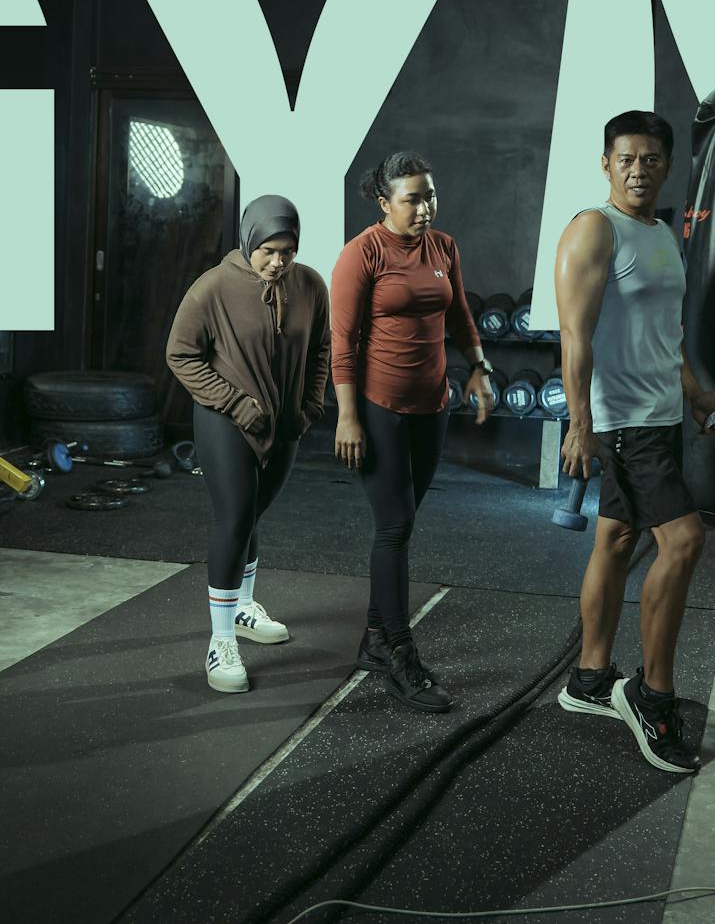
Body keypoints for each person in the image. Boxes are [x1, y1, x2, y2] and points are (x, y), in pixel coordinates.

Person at [552, 112, 715, 773]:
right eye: (626, 158)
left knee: (617, 539)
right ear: (606, 163)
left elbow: (665, 332)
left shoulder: (661, 233)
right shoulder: (594, 229)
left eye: (651, 159)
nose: (638, 169)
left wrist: (694, 392)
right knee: (683, 540)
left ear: (666, 165)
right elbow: (575, 335)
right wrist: (580, 422)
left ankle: (591, 679)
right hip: (622, 422)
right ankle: (652, 696)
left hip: (659, 415)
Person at [331, 150, 496, 714]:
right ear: (384, 202)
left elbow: (459, 316)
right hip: (379, 409)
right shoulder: (362, 255)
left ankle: (376, 640)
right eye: (412, 198)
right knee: (394, 526)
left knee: (404, 523)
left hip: (434, 406)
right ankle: (401, 654)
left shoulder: (443, 247)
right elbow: (343, 342)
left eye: (430, 194)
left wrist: (478, 366)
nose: (425, 207)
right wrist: (347, 416)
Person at [165, 196, 331, 694]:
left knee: (253, 516)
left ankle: (241, 609)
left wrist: (310, 407)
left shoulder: (310, 285)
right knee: (235, 517)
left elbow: (322, 347)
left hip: (285, 424)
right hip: (226, 421)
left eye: (288, 251)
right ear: (249, 240)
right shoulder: (212, 288)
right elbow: (180, 354)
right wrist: (234, 403)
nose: (278, 261)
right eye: (269, 249)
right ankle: (220, 642)